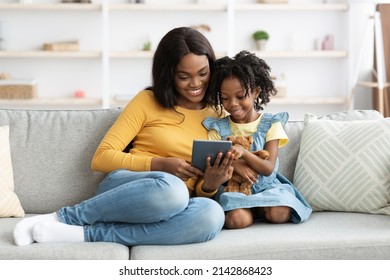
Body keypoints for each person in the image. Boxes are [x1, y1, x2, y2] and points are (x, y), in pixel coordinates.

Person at [13, 27, 235, 246]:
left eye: (203, 74)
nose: (196, 84)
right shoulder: (148, 101)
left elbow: (199, 193)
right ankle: (63, 217)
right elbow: (101, 158)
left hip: (180, 202)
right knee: (173, 190)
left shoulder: (219, 113)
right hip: (129, 190)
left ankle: (83, 234)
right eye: (184, 77)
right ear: (168, 73)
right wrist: (160, 164)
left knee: (212, 214)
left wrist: (210, 185)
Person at [203, 50, 312, 229]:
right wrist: (234, 165)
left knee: (280, 213)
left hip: (267, 189)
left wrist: (244, 153)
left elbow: (268, 168)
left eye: (240, 96)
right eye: (224, 98)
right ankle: (249, 210)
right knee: (237, 221)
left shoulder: (271, 124)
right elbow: (213, 162)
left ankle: (261, 208)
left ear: (255, 91)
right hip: (235, 190)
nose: (233, 104)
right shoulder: (217, 128)